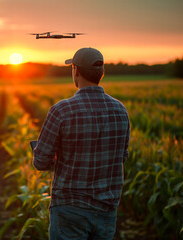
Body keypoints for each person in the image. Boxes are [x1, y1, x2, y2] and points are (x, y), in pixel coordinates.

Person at [33, 47, 130, 240]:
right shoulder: (120, 110)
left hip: (70, 209)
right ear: (101, 73)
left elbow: (40, 162)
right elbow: (122, 156)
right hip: (107, 210)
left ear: (75, 70)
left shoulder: (61, 110)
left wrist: (54, 156)